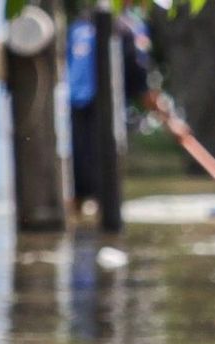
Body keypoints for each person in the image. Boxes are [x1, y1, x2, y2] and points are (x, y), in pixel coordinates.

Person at [67, 5, 153, 216]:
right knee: (87, 159)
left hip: (93, 104)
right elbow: (137, 71)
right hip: (86, 102)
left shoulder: (83, 26)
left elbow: (136, 69)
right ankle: (90, 204)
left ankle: (94, 205)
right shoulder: (115, 28)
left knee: (93, 158)